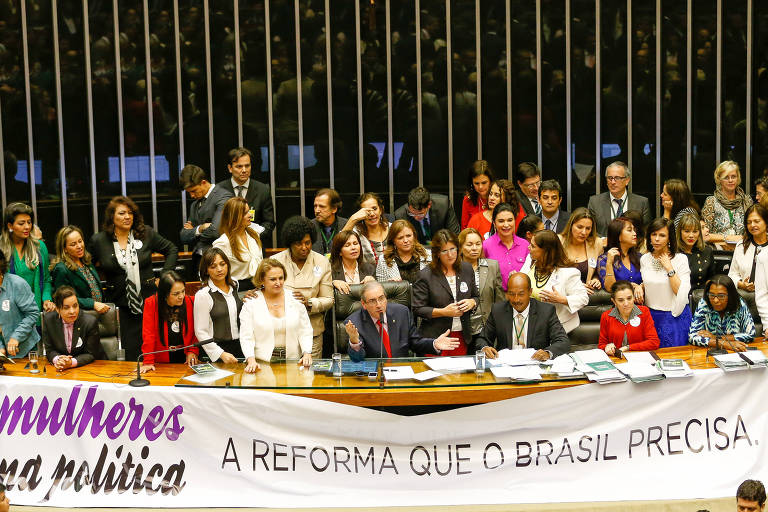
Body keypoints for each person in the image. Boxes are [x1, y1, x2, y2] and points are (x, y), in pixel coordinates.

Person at [89, 196, 178, 362]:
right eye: (122, 213)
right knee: (131, 352)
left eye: (130, 213)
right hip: (121, 305)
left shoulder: (146, 234)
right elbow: (87, 267)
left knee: (155, 348)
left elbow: (172, 249)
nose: (127, 217)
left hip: (150, 301)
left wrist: (165, 276)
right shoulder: (99, 241)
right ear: (112, 217)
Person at [345, 281, 459, 360]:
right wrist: (355, 342)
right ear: (363, 304)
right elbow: (357, 359)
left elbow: (415, 343)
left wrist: (434, 343)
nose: (379, 305)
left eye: (381, 298)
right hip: (374, 374)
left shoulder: (402, 313)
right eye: (372, 301)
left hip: (401, 370)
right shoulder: (354, 323)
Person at [272, 216, 333, 359]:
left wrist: (309, 303)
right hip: (282, 332)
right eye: (299, 244)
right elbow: (265, 294)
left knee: (310, 376)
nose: (304, 248)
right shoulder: (275, 261)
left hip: (313, 331)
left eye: (308, 243)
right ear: (290, 244)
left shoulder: (322, 262)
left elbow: (329, 299)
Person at [239, 258, 313, 373]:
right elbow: (246, 336)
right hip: (261, 364)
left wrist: (307, 352)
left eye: (281, 278)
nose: (278, 283)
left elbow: (305, 330)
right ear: (262, 280)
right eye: (273, 279)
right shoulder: (251, 302)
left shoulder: (295, 298)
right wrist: (250, 359)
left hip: (293, 362)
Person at [412, 229, 479, 356]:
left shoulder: (466, 269)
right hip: (436, 337)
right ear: (437, 253)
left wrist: (472, 302)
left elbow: (476, 296)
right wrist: (444, 312)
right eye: (444, 251)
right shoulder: (425, 275)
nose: (450, 255)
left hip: (461, 336)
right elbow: (417, 308)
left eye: (453, 249)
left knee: (459, 375)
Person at [476, 272, 570, 360]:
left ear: (530, 292)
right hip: (505, 365)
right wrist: (485, 348)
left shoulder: (546, 311)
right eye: (511, 294)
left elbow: (563, 341)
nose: (516, 299)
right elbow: (482, 339)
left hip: (535, 365)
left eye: (521, 294)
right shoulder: (498, 310)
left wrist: (547, 353)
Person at [522, 229, 589, 333]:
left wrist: (561, 299)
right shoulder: (530, 261)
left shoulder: (569, 273)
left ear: (545, 251)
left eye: (533, 246)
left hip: (559, 327)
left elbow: (583, 299)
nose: (528, 247)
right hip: (532, 324)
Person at [640, 217, 692, 347]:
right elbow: (649, 283)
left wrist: (669, 268)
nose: (657, 239)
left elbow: (680, 292)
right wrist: (639, 286)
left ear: (670, 238)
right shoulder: (645, 259)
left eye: (662, 235)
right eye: (654, 234)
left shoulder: (680, 259)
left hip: (674, 317)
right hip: (651, 317)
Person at [0, 202, 54, 315]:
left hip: (35, 310)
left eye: (29, 222)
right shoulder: (1, 248)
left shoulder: (39, 246)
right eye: (21, 223)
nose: (27, 227)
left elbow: (46, 279)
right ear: (10, 226)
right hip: (7, 313)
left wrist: (47, 299)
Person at [140, 271, 198, 373]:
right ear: (165, 294)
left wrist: (193, 351)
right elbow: (149, 334)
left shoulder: (191, 301)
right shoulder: (151, 303)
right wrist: (148, 361)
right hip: (161, 361)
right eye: (176, 294)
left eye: (183, 291)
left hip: (186, 359)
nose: (181, 296)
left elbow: (196, 331)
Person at [194, 248, 244, 363]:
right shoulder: (203, 295)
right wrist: (220, 353)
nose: (219, 269)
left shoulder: (235, 284)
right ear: (206, 270)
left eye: (222, 264)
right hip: (216, 350)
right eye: (213, 266)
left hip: (239, 346)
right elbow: (200, 331)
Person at [179, 164, 233, 269]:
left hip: (218, 260)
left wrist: (194, 232)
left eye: (194, 191)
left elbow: (215, 231)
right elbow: (183, 236)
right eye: (189, 192)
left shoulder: (223, 197)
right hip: (198, 260)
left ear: (203, 182)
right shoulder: (195, 204)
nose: (192, 196)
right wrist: (201, 228)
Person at [216, 147, 275, 240]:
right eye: (239, 166)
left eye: (247, 166)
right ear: (230, 168)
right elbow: (216, 222)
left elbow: (269, 223)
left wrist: (251, 238)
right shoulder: (219, 189)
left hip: (255, 244)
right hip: (227, 245)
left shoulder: (263, 190)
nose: (244, 170)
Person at [51, 225, 110, 314]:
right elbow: (63, 298)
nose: (79, 246)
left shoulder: (86, 262)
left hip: (98, 313)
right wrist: (92, 304)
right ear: (64, 249)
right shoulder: (61, 269)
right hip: (80, 316)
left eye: (80, 241)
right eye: (73, 244)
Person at [42, 286, 105, 370]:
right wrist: (59, 360)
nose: (72, 311)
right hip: (61, 369)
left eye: (75, 306)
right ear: (57, 309)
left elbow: (91, 354)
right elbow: (50, 350)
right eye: (66, 307)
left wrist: (71, 363)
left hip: (91, 367)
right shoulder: (49, 320)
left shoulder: (89, 322)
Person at [688, 274, 754, 351]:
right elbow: (692, 336)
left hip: (736, 351)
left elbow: (751, 334)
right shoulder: (704, 303)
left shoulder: (739, 304)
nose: (715, 300)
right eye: (712, 295)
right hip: (709, 352)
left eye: (721, 296)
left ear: (730, 296)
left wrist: (716, 338)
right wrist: (723, 343)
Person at [459, 227, 504, 339]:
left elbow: (499, 300)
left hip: (487, 327)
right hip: (461, 328)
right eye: (469, 244)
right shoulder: (453, 269)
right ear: (460, 247)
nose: (474, 248)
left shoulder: (492, 266)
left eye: (478, 244)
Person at [587, 161, 652, 236]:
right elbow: (590, 229)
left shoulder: (642, 203)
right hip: (604, 246)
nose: (613, 182)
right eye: (610, 178)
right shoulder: (595, 202)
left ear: (627, 180)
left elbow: (646, 230)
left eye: (617, 178)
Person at [212, 197, 263, 291]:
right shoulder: (222, 243)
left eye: (249, 211)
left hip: (259, 288)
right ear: (234, 217)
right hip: (237, 291)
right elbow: (218, 277)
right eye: (245, 213)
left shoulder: (254, 235)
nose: (250, 216)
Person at [597, 280, 660, 355]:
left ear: (634, 297)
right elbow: (601, 345)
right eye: (621, 300)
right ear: (614, 301)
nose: (626, 303)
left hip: (640, 358)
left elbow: (654, 342)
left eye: (629, 298)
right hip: (617, 359)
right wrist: (607, 347)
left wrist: (628, 348)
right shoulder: (606, 316)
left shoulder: (644, 312)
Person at [701, 160, 754, 245]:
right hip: (718, 252)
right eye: (726, 177)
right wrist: (727, 238)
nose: (730, 180)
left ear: (738, 178)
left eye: (733, 176)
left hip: (743, 249)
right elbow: (704, 234)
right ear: (719, 180)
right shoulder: (711, 201)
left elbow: (753, 228)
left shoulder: (746, 200)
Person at [0, 249, 39, 359]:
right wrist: (1, 346)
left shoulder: (17, 284)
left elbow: (32, 314)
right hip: (4, 353)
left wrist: (16, 337)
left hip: (26, 350)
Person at [482, 203, 531, 290]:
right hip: (496, 298)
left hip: (521, 296)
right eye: (501, 221)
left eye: (510, 220)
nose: (506, 225)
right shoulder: (486, 245)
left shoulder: (525, 245)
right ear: (494, 223)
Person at [728, 205, 768, 306]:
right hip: (744, 299)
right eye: (749, 222)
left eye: (757, 221)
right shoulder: (741, 245)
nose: (752, 225)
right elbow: (732, 275)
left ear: (766, 222)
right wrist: (741, 284)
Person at [393, 186, 460, 245]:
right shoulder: (400, 215)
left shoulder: (443, 205)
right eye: (412, 213)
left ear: (429, 205)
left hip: (442, 248)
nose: (416, 217)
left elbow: (454, 235)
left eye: (420, 214)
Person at [596, 217, 643, 301]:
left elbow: (650, 281)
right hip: (618, 308)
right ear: (618, 235)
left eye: (634, 230)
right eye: (629, 230)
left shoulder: (640, 257)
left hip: (642, 306)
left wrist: (640, 286)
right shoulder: (604, 259)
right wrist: (609, 263)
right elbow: (610, 288)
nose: (634, 233)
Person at [559, 207, 604, 291]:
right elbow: (551, 273)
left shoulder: (596, 243)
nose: (584, 232)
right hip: (563, 293)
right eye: (579, 227)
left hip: (587, 296)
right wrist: (577, 287)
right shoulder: (559, 241)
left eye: (588, 228)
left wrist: (596, 279)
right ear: (571, 225)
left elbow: (598, 270)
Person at [342, 192, 390, 265]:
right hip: (365, 276)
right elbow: (338, 246)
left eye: (374, 208)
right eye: (366, 211)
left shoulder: (392, 228)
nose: (371, 214)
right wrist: (353, 219)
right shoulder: (356, 233)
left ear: (381, 209)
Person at [676, 212, 715, 289]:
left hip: (700, 296)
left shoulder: (706, 251)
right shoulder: (674, 252)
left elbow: (711, 278)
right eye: (687, 231)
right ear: (680, 232)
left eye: (695, 231)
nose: (691, 235)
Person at [312, 188, 348, 255]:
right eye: (315, 206)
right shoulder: (309, 226)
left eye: (322, 206)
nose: (317, 210)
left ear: (334, 209)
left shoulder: (346, 225)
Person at [461, 160, 494, 229]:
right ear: (472, 183)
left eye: (484, 183)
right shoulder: (468, 200)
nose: (480, 187)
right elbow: (464, 229)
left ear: (491, 181)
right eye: (476, 183)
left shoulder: (500, 196)